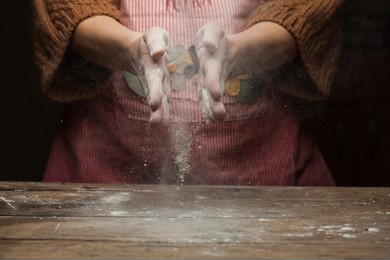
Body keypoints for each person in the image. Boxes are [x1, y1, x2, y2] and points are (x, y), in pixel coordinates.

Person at [32, 0, 342, 185]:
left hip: (265, 169)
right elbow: (66, 7)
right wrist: (129, 50)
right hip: (104, 170)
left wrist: (240, 52)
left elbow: (308, 9)